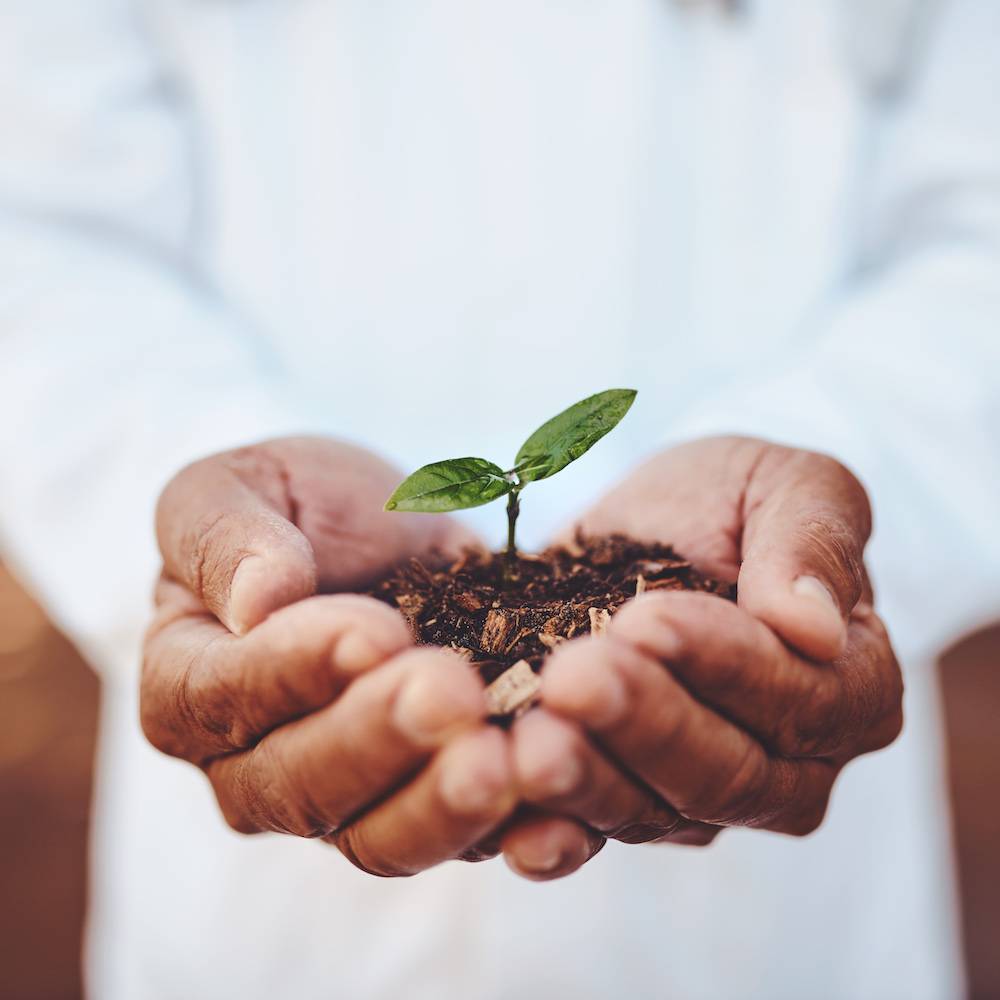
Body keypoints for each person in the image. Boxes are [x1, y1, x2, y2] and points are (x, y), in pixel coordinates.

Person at [1, 0, 998, 997]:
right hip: (276, 923)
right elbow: (40, 223)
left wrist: (838, 490)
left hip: (769, 928)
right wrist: (194, 476)